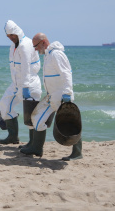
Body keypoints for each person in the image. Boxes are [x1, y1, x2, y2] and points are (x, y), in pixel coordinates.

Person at [20, 32, 82, 160]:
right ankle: (37, 148)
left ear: (43, 42)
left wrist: (67, 93)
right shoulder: (48, 55)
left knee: (71, 123)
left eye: (36, 46)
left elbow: (66, 74)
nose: (35, 49)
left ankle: (77, 153)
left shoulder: (56, 54)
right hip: (51, 96)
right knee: (36, 117)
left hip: (61, 96)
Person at [0, 20, 42, 146]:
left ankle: (33, 144)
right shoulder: (13, 46)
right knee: (4, 105)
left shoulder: (25, 45)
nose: (11, 38)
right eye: (8, 36)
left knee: (31, 116)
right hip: (16, 84)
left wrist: (26, 87)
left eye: (12, 35)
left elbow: (27, 67)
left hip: (30, 84)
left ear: (17, 32)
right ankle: (13, 137)